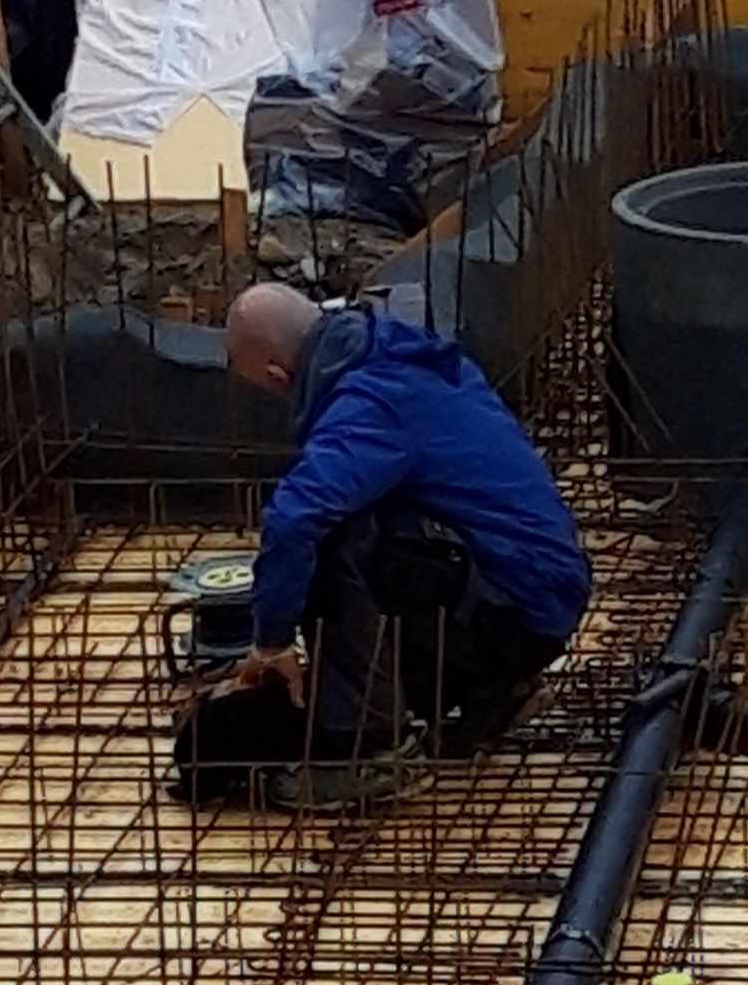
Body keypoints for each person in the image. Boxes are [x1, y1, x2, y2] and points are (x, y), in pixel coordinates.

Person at [223, 283, 591, 810]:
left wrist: (271, 641)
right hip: (534, 591)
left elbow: (293, 520)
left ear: (278, 376)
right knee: (368, 533)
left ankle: (375, 753)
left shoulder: (370, 403)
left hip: (512, 609)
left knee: (334, 537)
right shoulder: (392, 350)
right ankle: (493, 691)